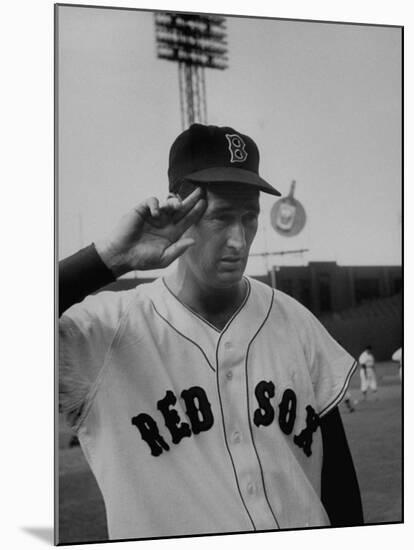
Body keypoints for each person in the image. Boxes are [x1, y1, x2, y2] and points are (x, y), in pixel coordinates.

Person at [59, 123, 363, 541]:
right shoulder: (103, 331)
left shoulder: (294, 319)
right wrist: (109, 258)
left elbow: (340, 483)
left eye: (249, 218)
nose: (239, 240)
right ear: (179, 212)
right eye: (221, 218)